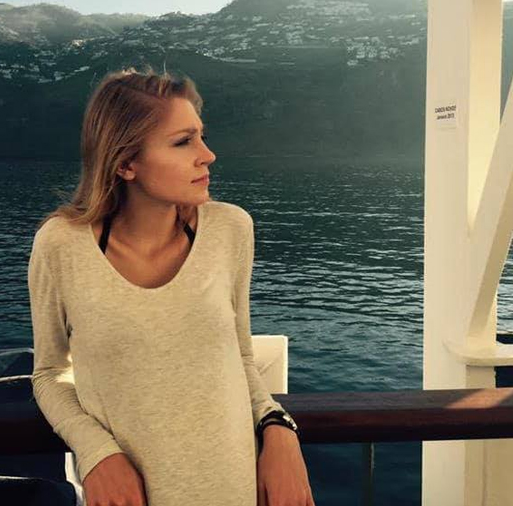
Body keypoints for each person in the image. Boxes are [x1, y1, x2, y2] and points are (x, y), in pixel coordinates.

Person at [28, 66, 316, 506]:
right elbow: (50, 374)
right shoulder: (61, 244)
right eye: (183, 142)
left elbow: (239, 356)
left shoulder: (231, 229)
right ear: (125, 163)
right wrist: (97, 452)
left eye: (201, 136)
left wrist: (278, 428)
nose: (208, 155)